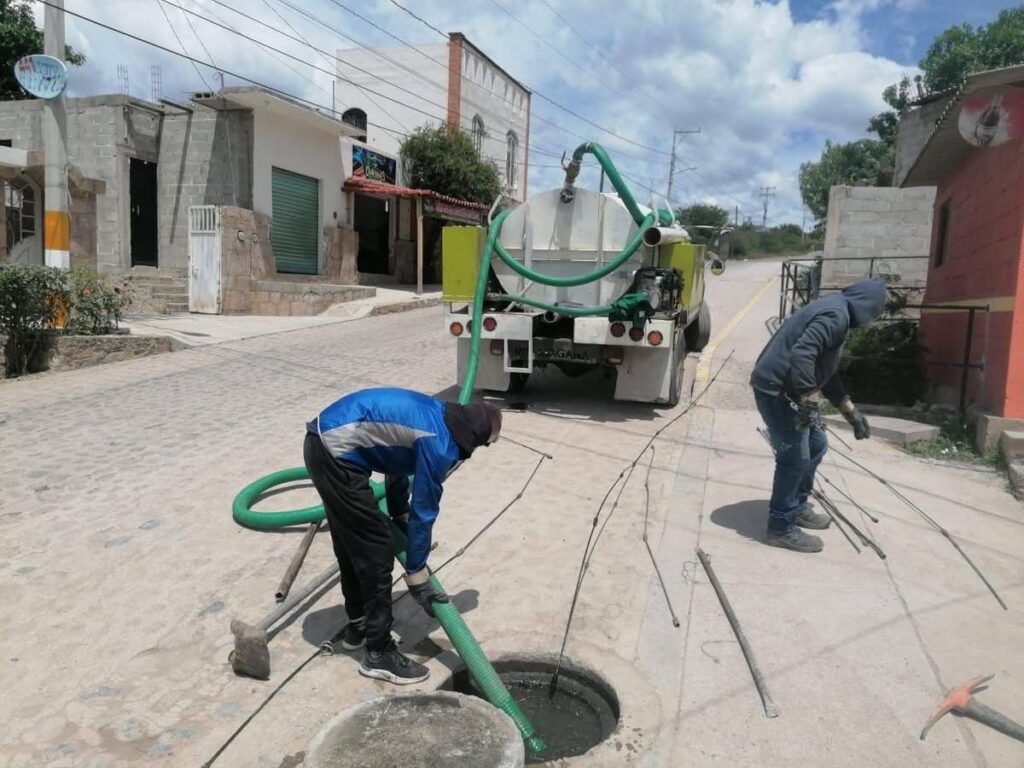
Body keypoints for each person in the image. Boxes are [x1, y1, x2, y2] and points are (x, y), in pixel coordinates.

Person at [304, 387, 502, 684]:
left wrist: (398, 513)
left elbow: (396, 461)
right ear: (475, 439)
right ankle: (378, 653)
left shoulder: (438, 415)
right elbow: (424, 509)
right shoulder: (441, 444)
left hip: (323, 444)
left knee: (352, 543)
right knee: (377, 549)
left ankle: (358, 627)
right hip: (335, 454)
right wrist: (416, 572)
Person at [750, 278, 886, 553]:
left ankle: (797, 505)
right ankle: (780, 526)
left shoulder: (837, 311)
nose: (872, 320)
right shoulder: (836, 315)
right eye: (875, 313)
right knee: (794, 456)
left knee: (816, 444)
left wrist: (849, 410)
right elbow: (803, 354)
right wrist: (808, 400)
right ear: (867, 306)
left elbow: (826, 370)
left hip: (786, 391)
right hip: (776, 391)